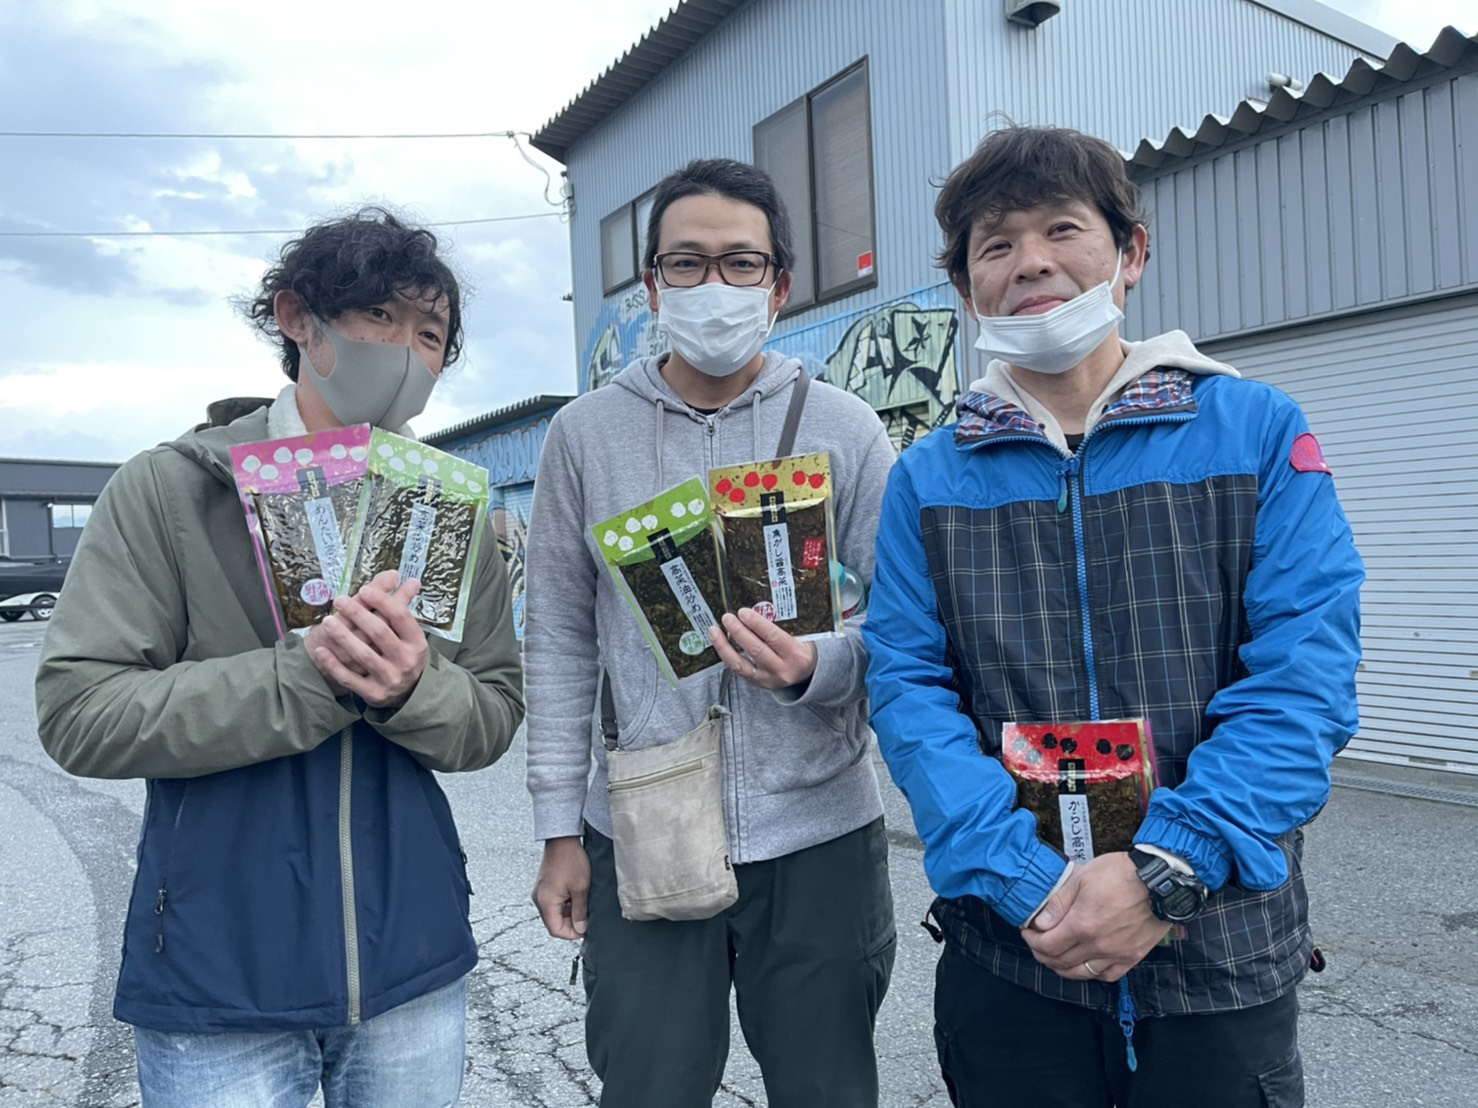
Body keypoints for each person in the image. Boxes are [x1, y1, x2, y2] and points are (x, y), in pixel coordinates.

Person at [861, 125, 1363, 1108]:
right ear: (966, 288)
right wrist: (1020, 879)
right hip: (1013, 955)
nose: (1030, 262)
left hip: (1217, 953)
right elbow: (908, 687)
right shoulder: (927, 477)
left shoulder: (1256, 430)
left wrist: (1168, 869)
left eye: (1061, 229)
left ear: (1130, 253)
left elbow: (1302, 676)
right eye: (995, 245)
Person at [35, 207, 524, 1107]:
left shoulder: (445, 507)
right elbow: (80, 712)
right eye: (379, 317)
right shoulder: (171, 490)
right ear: (299, 318)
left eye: (430, 335)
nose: (406, 353)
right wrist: (303, 678)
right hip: (218, 971)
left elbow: (493, 709)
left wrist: (413, 689)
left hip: (411, 960)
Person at [524, 158, 898, 1108]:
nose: (713, 285)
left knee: (827, 1090)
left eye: (741, 263)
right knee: (648, 1086)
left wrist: (817, 664)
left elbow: (907, 625)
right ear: (652, 286)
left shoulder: (847, 429)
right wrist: (559, 829)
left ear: (779, 285)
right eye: (686, 263)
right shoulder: (585, 435)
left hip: (819, 831)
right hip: (643, 823)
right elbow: (559, 639)